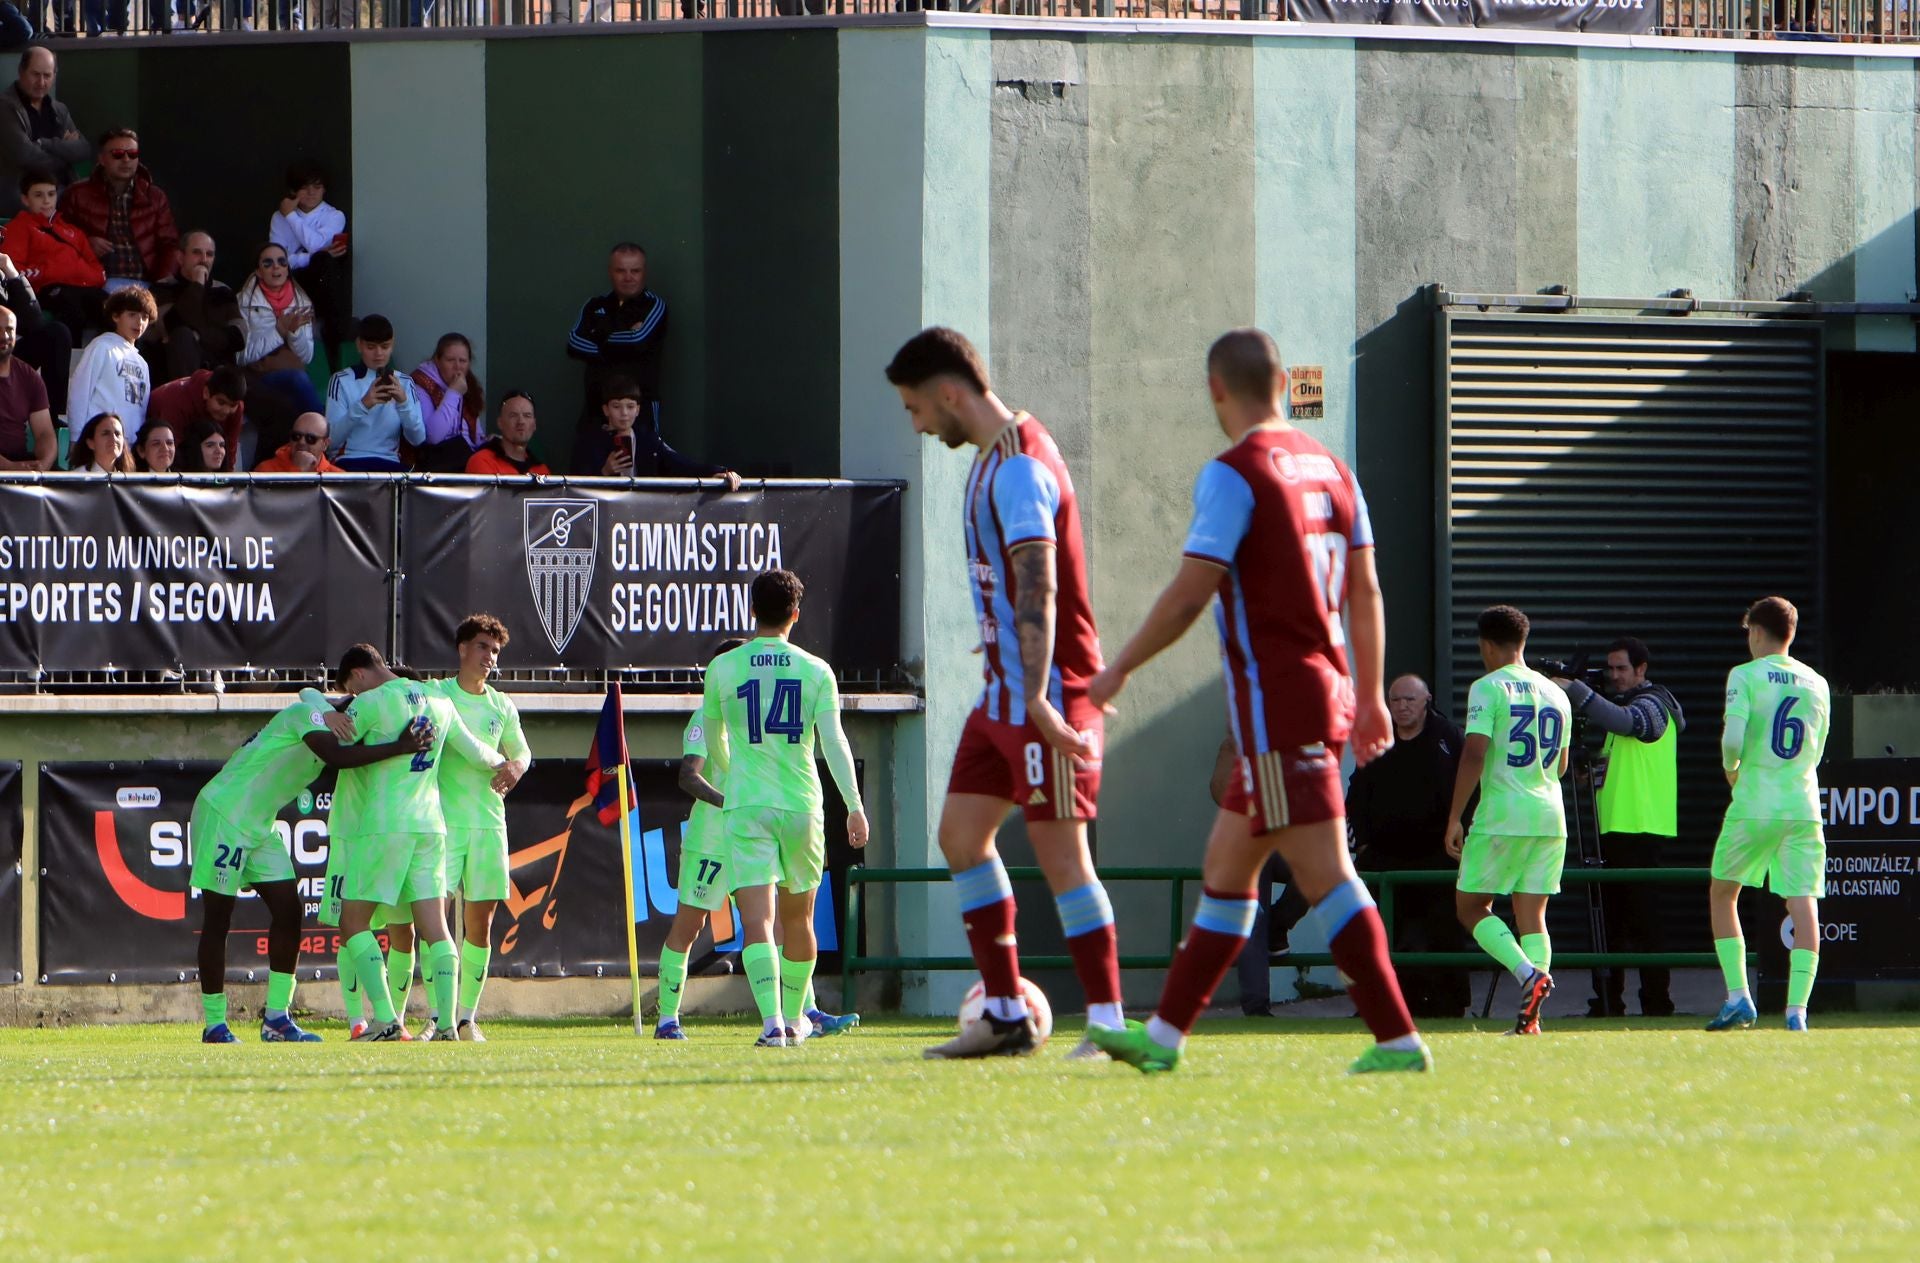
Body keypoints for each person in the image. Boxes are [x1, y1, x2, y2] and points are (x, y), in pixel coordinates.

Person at [1086, 328, 1426, 1076]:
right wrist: (1367, 696)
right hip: (1320, 693)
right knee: (1227, 872)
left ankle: (1398, 1037)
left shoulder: (1236, 471)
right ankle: (1165, 1039)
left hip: (1280, 705)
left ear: (1217, 388)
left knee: (1325, 873)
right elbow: (1366, 590)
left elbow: (1188, 593)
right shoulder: (1334, 469)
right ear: (1282, 383)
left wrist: (1117, 671)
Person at [882, 328, 1125, 1062]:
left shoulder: (1020, 466)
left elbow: (1040, 582)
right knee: (960, 836)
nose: (918, 424)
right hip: (1002, 696)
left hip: (1046, 694)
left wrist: (1045, 699)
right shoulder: (990, 460)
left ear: (951, 393)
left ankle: (1110, 1022)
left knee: (1063, 857)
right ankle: (1006, 1012)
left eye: (916, 407)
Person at [189, 685, 429, 1044]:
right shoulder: (309, 718)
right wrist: (400, 746)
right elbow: (331, 747)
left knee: (289, 911)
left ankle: (276, 1019)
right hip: (224, 813)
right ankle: (214, 1025)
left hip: (260, 826)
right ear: (346, 712)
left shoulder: (322, 714)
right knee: (219, 918)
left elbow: (311, 692)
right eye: (357, 720)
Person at [696, 571, 869, 1048]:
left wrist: (737, 776)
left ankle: (773, 1023)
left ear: (751, 610)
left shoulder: (723, 668)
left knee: (758, 923)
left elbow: (715, 741)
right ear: (796, 614)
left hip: (748, 803)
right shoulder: (816, 670)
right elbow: (833, 742)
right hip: (801, 805)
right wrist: (853, 806)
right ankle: (796, 1020)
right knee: (801, 921)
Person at [313, 644, 507, 1043]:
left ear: (361, 674)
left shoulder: (373, 703)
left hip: (385, 824)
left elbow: (334, 748)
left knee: (352, 923)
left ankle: (386, 1020)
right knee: (436, 928)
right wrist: (510, 765)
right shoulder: (438, 698)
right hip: (432, 825)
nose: (354, 694)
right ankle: (449, 1025)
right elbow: (475, 751)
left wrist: (326, 712)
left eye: (352, 686)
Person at [1444, 605, 1572, 1037]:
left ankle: (1527, 976)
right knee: (1533, 913)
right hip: (1551, 815)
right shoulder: (1557, 693)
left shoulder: (1487, 687)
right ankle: (1531, 1020)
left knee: (1471, 906)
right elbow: (1562, 765)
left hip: (1504, 813)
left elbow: (1475, 752)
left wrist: (1455, 816)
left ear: (1485, 645)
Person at [1706, 596, 1830, 1034]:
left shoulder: (1745, 675)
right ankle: (1797, 1011)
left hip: (1757, 800)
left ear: (1757, 631)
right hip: (1802, 804)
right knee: (1803, 904)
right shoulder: (1816, 682)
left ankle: (1739, 996)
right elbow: (1816, 751)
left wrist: (1732, 770)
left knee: (1724, 892)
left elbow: (1733, 740)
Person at [408, 614, 530, 1042]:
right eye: (482, 647)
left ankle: (466, 1018)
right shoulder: (437, 693)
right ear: (462, 648)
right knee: (434, 922)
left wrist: (516, 766)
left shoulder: (501, 704)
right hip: (441, 825)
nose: (489, 658)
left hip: (488, 824)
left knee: (480, 925)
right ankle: (436, 1017)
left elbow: (523, 753)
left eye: (495, 651)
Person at [1550, 638, 1685, 1019]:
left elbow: (1632, 725)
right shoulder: (1622, 709)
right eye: (1609, 669)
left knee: (1645, 926)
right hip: (1614, 830)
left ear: (1642, 669)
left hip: (1641, 830)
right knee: (1609, 925)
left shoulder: (1654, 704)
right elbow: (1615, 770)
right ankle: (1607, 1003)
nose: (1613, 676)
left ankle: (1657, 1004)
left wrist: (1574, 691)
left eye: (1621, 668)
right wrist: (1586, 772)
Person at [1346, 673, 1470, 1018]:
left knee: (1442, 929)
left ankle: (1448, 1003)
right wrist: (1364, 846)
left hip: (1438, 855)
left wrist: (1463, 835)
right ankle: (1381, 1002)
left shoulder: (1447, 738)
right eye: (1395, 700)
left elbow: (1472, 786)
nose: (1401, 707)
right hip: (1385, 858)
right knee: (1382, 932)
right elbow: (1355, 797)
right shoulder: (1376, 739)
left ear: (1426, 699)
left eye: (1409, 700)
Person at [567, 242, 668, 438]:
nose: (628, 277)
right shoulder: (594, 305)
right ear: (610, 272)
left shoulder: (654, 305)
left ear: (644, 272)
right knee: (587, 467)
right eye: (621, 271)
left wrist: (598, 336)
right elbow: (573, 343)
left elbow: (638, 340)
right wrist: (621, 342)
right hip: (595, 410)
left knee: (641, 467)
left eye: (635, 271)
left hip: (639, 411)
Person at [59, 128, 180, 290]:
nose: (126, 159)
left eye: (132, 154)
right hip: (98, 284)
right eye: (117, 154)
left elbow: (170, 245)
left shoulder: (155, 196)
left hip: (148, 285)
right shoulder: (77, 194)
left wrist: (161, 284)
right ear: (102, 159)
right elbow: (58, 239)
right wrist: (85, 244)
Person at [570, 376, 740, 488]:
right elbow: (575, 484)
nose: (624, 413)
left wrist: (721, 471)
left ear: (638, 410)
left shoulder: (648, 440)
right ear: (606, 410)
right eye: (616, 406)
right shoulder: (590, 442)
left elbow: (680, 463)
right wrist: (604, 471)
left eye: (630, 407)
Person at [3, 172, 105, 342]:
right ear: (25, 200)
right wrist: (49, 273)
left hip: (82, 288)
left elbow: (97, 270)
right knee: (72, 307)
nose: (46, 201)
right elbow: (13, 271)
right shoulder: (18, 228)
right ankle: (70, 365)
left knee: (117, 308)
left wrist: (77, 274)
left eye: (51, 194)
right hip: (44, 291)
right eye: (38, 195)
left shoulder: (72, 231)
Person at [268, 160, 348, 358]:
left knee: (323, 261)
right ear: (294, 190)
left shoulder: (334, 216)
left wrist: (291, 217)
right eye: (305, 187)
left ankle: (330, 337)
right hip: (289, 280)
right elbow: (278, 259)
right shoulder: (278, 217)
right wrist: (309, 257)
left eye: (317, 187)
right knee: (319, 257)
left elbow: (315, 245)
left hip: (321, 283)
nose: (311, 193)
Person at [326, 313, 423, 472]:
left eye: (385, 347)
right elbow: (331, 442)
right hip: (348, 461)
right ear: (359, 345)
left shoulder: (405, 382)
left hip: (390, 464)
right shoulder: (341, 380)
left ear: (392, 345)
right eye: (371, 347)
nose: (378, 353)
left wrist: (403, 404)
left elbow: (418, 439)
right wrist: (363, 405)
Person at [0, 47, 88, 218]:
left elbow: (83, 148)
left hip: (62, 190)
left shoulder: (59, 109)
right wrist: (65, 153)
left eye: (47, 76)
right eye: (35, 74)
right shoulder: (5, 107)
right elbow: (25, 156)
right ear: (21, 71)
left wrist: (46, 144)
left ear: (54, 76)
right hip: (22, 195)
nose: (41, 82)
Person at [147, 230, 244, 380]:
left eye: (209, 254)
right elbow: (171, 325)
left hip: (221, 374)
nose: (204, 260)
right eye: (197, 253)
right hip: (176, 372)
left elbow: (239, 337)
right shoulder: (162, 288)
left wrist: (198, 336)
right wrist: (197, 284)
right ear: (180, 257)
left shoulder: (223, 291)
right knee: (183, 336)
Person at [68, 286, 154, 442]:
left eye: (144, 317)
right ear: (115, 316)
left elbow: (141, 409)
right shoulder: (102, 347)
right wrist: (76, 437)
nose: (139, 322)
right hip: (98, 440)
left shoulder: (142, 363)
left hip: (129, 446)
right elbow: (79, 392)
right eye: (132, 315)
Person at [147, 365, 246, 472]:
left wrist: (227, 482)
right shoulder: (177, 401)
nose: (226, 411)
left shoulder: (238, 407)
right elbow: (169, 449)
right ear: (206, 393)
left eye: (232, 405)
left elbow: (230, 450)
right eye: (221, 402)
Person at [409, 332, 485, 472]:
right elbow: (433, 436)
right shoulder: (420, 385)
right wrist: (453, 393)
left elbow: (475, 438)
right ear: (437, 361)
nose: (457, 367)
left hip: (466, 460)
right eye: (450, 360)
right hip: (436, 464)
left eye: (463, 361)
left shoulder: (468, 386)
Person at [0, 304, 53, 471]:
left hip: (19, 465)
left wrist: (43, 465)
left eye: (10, 330)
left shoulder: (29, 376)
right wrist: (10, 468)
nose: (4, 336)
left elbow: (45, 432)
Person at [464, 390, 549, 476]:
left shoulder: (541, 470)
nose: (521, 421)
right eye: (513, 415)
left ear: (534, 424)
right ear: (500, 423)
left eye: (527, 416)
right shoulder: (482, 461)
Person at [253, 411, 342, 473]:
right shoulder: (266, 470)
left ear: (325, 444)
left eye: (310, 438)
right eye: (296, 436)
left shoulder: (338, 478)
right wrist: (298, 470)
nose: (302, 442)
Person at [67, 409, 129, 474]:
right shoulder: (77, 479)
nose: (114, 438)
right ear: (90, 443)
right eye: (106, 433)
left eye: (117, 434)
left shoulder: (129, 480)